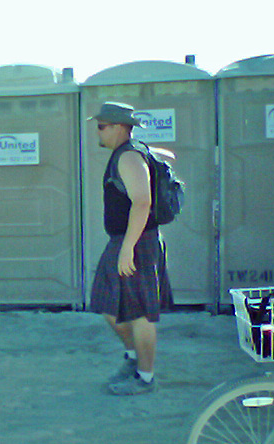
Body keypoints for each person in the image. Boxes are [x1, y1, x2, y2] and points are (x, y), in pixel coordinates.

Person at [88, 102, 173, 395]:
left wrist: (128, 248)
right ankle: (134, 357)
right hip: (126, 241)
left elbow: (142, 202)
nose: (97, 131)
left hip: (136, 242)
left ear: (118, 127)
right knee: (107, 305)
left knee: (139, 313)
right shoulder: (128, 154)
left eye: (101, 126)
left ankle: (145, 378)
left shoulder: (128, 157)